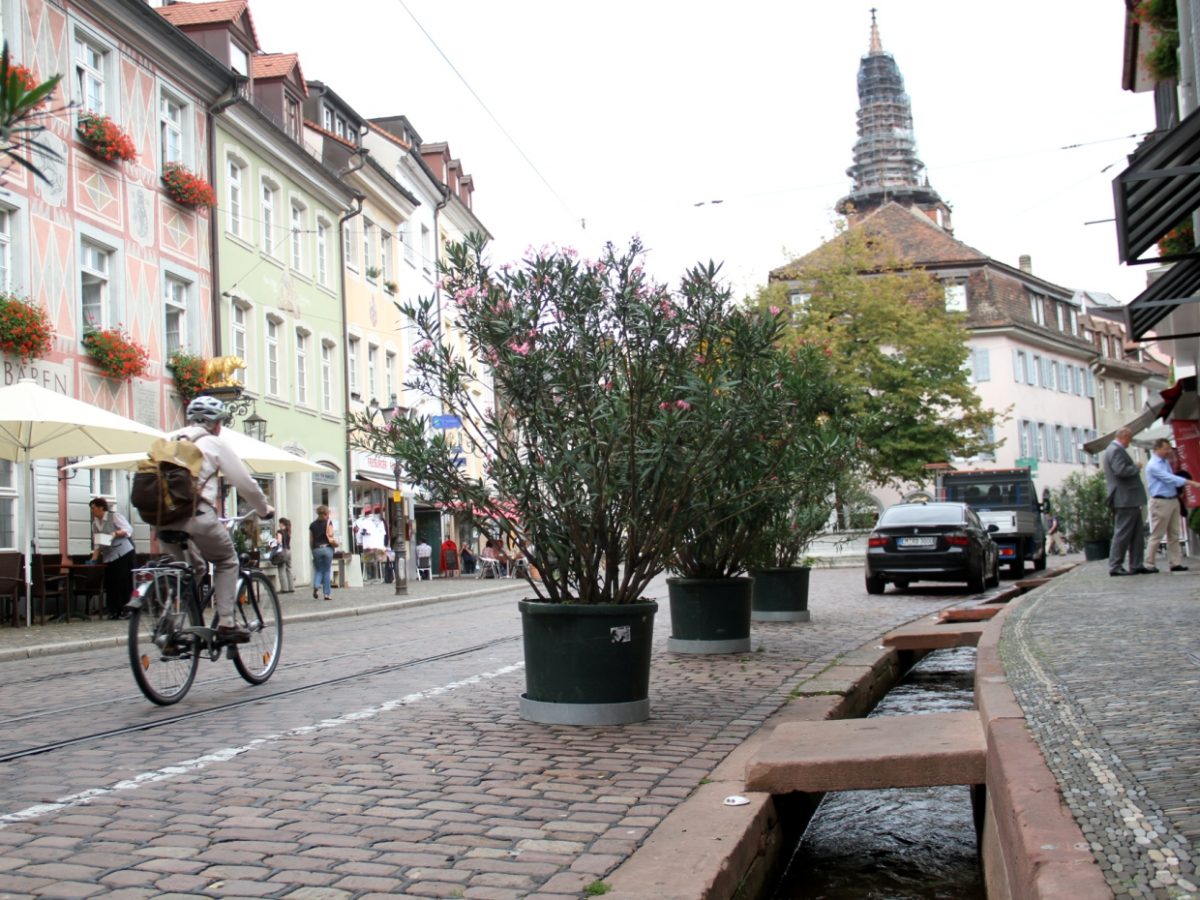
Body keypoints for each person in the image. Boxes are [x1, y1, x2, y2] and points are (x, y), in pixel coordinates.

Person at [159, 396, 273, 641]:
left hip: (162, 518)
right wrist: (264, 510)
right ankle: (227, 623)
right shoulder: (214, 443)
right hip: (197, 515)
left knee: (193, 568)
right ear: (217, 424)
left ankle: (170, 626)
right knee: (226, 561)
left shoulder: (169, 439)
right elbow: (246, 484)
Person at [1145, 438, 1200, 573]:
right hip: (1161, 501)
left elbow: (1171, 478)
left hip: (1172, 499)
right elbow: (1168, 478)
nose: (1168, 451)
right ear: (1157, 449)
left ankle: (1175, 562)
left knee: (1174, 533)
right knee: (1158, 533)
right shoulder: (1153, 465)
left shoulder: (1165, 462)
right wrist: (1190, 482)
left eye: (1169, 449)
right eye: (1166, 449)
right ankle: (1149, 563)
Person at [1103, 427, 1150, 577]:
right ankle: (1115, 565)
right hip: (1125, 498)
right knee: (1122, 533)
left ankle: (1136, 564)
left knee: (1137, 533)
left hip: (1129, 498)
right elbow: (1120, 471)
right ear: (1124, 437)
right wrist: (1135, 467)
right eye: (1129, 439)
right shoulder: (1115, 450)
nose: (1129, 442)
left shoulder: (1113, 449)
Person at [89, 496, 136, 619]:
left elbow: (128, 529)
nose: (92, 510)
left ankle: (127, 610)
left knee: (124, 582)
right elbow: (97, 544)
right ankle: (114, 610)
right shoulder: (95, 524)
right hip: (109, 557)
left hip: (123, 553)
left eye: (93, 508)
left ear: (101, 507)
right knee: (111, 583)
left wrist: (116, 533)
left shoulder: (114, 516)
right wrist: (93, 559)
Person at [309, 506, 336, 600]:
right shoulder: (328, 523)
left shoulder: (312, 525)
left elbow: (311, 540)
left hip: (316, 549)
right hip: (327, 548)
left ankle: (316, 586)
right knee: (327, 571)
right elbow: (331, 535)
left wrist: (312, 550)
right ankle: (327, 594)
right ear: (326, 513)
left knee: (319, 570)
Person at [274, 517, 294, 593]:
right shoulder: (288, 531)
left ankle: (284, 588)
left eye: (279, 523)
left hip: (282, 552)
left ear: (282, 523)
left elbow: (279, 541)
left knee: (281, 569)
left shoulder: (280, 531)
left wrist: (274, 542)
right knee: (289, 569)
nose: (278, 524)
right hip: (289, 551)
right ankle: (291, 587)